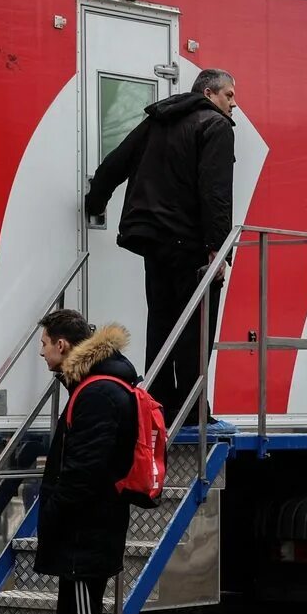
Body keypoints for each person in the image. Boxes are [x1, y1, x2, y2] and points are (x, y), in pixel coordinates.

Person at [84, 68, 237, 425]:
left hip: (154, 241)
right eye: (229, 95)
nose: (234, 104)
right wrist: (219, 249)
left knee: (162, 322)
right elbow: (216, 192)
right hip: (191, 243)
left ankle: (159, 403)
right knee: (196, 326)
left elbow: (113, 165)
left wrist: (96, 203)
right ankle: (194, 412)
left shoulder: (157, 122)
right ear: (209, 93)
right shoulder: (214, 126)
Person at [26, 308, 138, 614]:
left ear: (63, 346)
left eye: (45, 343)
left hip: (85, 528)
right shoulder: (96, 385)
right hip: (87, 526)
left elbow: (85, 469)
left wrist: (53, 507)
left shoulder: (97, 392)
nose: (41, 351)